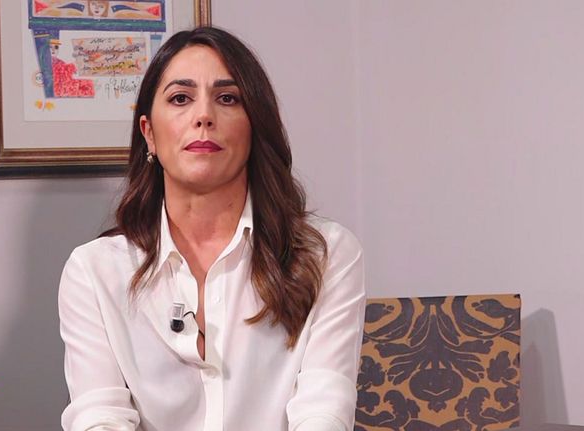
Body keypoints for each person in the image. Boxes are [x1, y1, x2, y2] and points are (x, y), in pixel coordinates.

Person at [58, 26, 366, 431]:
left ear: (254, 127)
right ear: (149, 134)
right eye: (180, 99)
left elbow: (324, 410)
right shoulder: (93, 271)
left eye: (227, 98)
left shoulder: (327, 254)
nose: (204, 116)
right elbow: (99, 417)